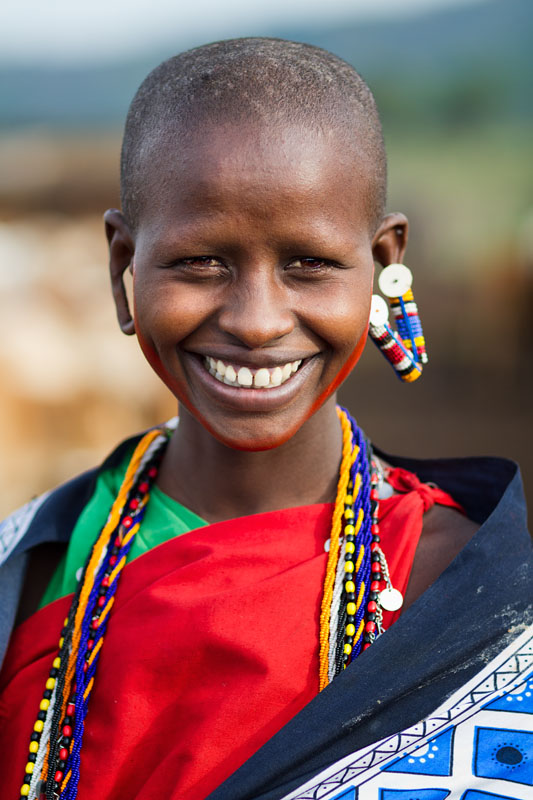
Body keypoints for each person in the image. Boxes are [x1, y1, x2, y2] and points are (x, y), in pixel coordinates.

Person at [0, 38, 531, 800]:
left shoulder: (473, 605)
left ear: (383, 263)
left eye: (308, 263)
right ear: (124, 270)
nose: (255, 322)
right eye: (200, 262)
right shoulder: (34, 570)